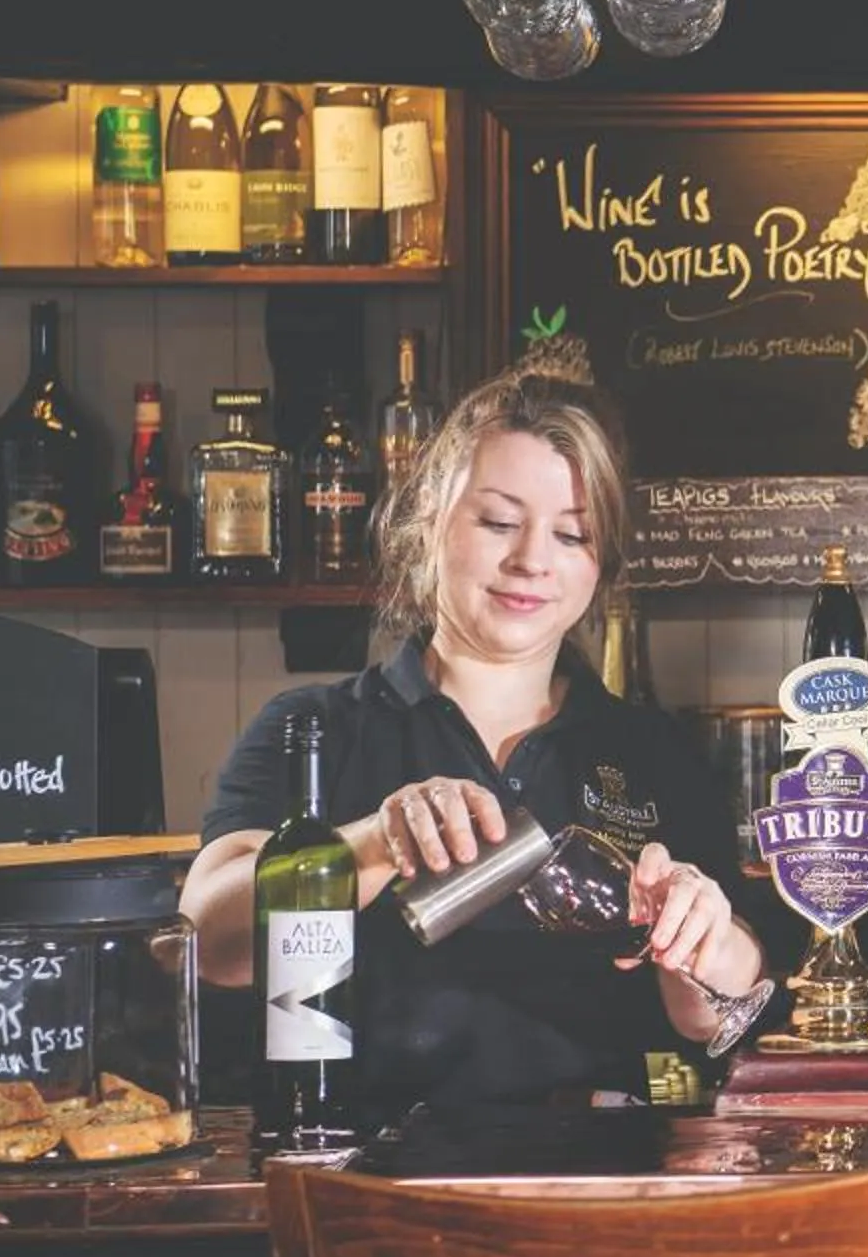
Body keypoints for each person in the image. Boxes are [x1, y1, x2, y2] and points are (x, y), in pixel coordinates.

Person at [182, 361, 788, 1106]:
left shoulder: (646, 752)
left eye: (573, 535)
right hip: (357, 1177)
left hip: (593, 1186)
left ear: (603, 564)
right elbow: (209, 942)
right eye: (499, 522)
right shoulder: (316, 730)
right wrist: (373, 843)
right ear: (431, 516)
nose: (531, 560)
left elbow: (706, 1022)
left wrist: (707, 938)